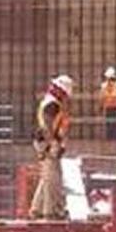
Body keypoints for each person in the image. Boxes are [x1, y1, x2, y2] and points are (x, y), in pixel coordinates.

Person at [29, 75, 73, 219]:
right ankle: (51, 211)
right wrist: (54, 144)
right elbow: (48, 127)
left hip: (44, 142)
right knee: (54, 178)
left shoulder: (50, 101)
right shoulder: (52, 104)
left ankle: (37, 210)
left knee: (47, 176)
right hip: (47, 142)